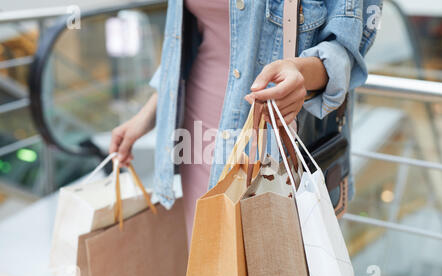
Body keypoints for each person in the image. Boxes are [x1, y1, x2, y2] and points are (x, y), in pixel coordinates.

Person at [109, 0, 382, 244]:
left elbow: (344, 51)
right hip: (197, 133)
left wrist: (301, 71)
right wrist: (147, 116)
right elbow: (189, 39)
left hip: (272, 136)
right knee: (209, 270)